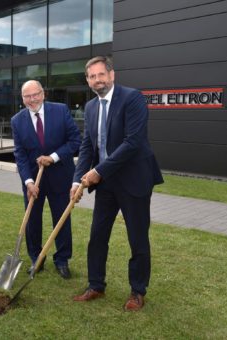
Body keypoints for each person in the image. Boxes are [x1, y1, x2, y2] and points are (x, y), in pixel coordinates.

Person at [71, 56, 163, 311]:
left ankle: (137, 292)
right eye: (92, 76)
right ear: (87, 80)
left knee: (137, 238)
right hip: (107, 183)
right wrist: (77, 179)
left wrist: (98, 171)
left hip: (134, 179)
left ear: (112, 75)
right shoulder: (90, 107)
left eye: (101, 74)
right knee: (97, 236)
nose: (97, 80)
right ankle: (96, 285)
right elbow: (88, 145)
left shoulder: (133, 98)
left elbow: (133, 142)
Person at [11, 80, 81, 279]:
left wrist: (53, 157)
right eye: (27, 96)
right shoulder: (17, 120)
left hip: (61, 176)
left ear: (43, 94)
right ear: (22, 98)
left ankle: (62, 260)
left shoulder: (60, 111)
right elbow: (20, 155)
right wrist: (28, 182)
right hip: (34, 181)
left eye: (35, 94)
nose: (32, 99)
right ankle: (36, 259)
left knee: (61, 219)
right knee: (32, 221)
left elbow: (75, 141)